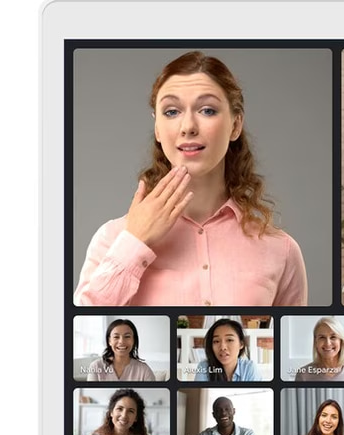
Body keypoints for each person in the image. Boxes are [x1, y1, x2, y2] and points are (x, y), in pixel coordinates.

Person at [74, 51, 307, 306]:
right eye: (172, 112)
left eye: (207, 110)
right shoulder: (112, 238)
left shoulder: (281, 251)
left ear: (236, 125)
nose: (188, 127)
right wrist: (134, 243)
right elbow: (73, 334)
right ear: (157, 129)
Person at [82, 388, 156, 435]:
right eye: (120, 409)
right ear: (111, 412)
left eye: (131, 411)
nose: (124, 415)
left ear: (136, 418)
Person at [294, 317, 344, 381]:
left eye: (333, 337)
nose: (328, 343)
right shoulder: (303, 375)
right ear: (316, 342)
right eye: (322, 337)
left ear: (341, 341)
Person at [86, 319, 156, 382]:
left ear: (134, 340)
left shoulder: (144, 370)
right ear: (109, 341)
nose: (121, 341)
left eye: (127, 336)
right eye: (116, 337)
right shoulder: (96, 366)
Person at [194, 318, 261, 382]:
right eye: (216, 341)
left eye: (229, 340)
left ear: (241, 344)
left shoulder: (249, 368)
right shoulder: (204, 367)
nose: (223, 347)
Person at [191, 397, 258, 435]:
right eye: (218, 410)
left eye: (227, 409)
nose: (223, 413)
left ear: (234, 411)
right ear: (214, 415)